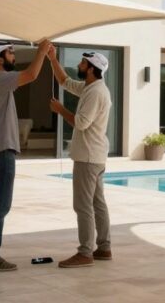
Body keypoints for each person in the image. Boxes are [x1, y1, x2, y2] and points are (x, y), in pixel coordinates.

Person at [0, 39, 52, 271]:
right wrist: (43, 51)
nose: (14, 56)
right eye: (11, 52)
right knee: (0, 205)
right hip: (0, 150)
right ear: (0, 57)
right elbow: (32, 75)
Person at [46, 48, 113, 269]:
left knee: (83, 206)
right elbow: (64, 81)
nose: (80, 65)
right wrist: (53, 59)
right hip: (95, 156)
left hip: (88, 157)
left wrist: (59, 109)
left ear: (92, 69)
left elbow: (82, 123)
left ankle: (85, 253)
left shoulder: (95, 93)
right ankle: (104, 248)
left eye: (83, 63)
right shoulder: (90, 87)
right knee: (97, 203)